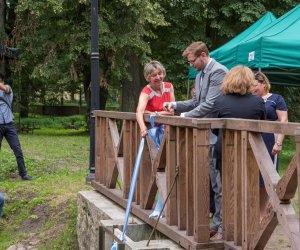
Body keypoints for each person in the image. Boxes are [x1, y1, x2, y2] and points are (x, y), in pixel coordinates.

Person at [163, 41, 228, 240]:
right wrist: (174, 104)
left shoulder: (219, 72)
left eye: (192, 61)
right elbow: (196, 102)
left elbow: (209, 104)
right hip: (204, 136)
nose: (191, 65)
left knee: (218, 184)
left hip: (218, 135)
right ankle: (216, 223)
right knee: (209, 182)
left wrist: (185, 118)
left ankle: (221, 226)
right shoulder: (200, 76)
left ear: (202, 55)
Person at [136, 60, 175, 218]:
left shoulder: (169, 86)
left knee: (168, 167)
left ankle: (164, 205)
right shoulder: (147, 91)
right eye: (154, 75)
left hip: (167, 131)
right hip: (152, 134)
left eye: (159, 73)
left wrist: (157, 114)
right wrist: (142, 128)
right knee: (159, 168)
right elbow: (139, 111)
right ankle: (159, 205)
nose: (158, 77)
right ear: (148, 78)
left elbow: (173, 111)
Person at [252, 71, 288, 217]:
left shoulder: (276, 99)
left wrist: (278, 143)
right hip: (253, 139)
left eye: (254, 85)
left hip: (269, 140)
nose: (252, 88)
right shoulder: (250, 99)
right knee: (253, 175)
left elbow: (283, 121)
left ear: (264, 84)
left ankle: (263, 213)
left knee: (266, 177)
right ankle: (253, 212)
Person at [0, 72, 34, 181]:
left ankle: (23, 174)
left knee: (17, 149)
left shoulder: (7, 89)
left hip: (9, 125)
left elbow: (6, 89)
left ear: (2, 81)